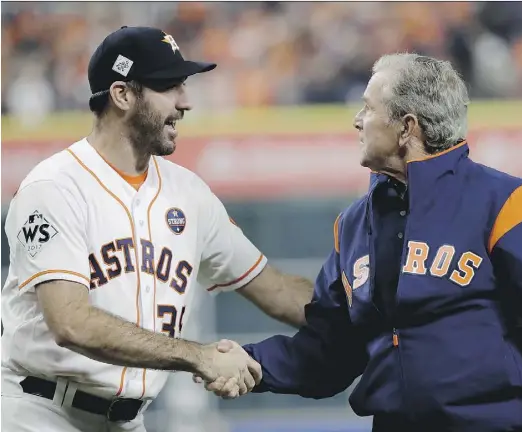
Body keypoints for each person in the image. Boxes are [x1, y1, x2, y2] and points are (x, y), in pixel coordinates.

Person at [204, 53, 522, 432]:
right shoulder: (354, 224)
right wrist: (249, 362)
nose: (357, 121)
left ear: (407, 126)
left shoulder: (507, 202)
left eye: (368, 108)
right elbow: (329, 351)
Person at [1, 26, 313, 432]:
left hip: (129, 420)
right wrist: (198, 356)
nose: (185, 103)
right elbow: (71, 323)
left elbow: (277, 291)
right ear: (123, 95)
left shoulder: (189, 194)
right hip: (41, 411)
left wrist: (373, 320)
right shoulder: (55, 187)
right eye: (169, 86)